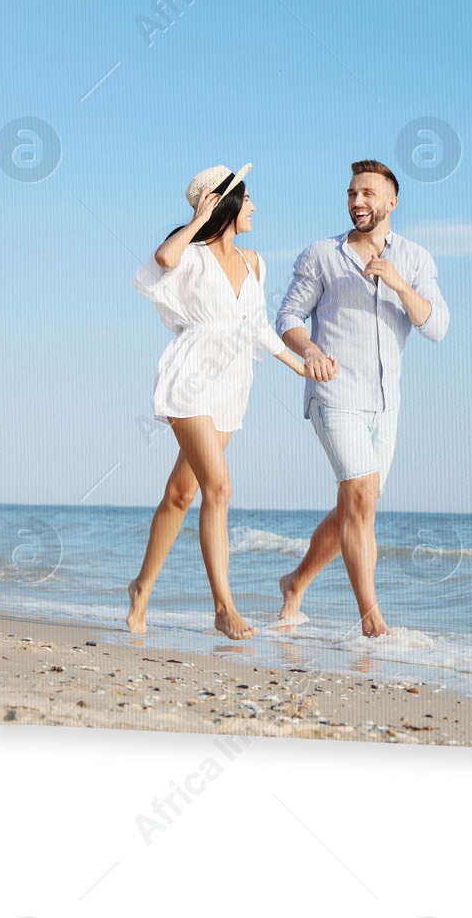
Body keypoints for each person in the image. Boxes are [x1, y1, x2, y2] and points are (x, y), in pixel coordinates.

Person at [125, 164, 316, 640]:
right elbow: (162, 261)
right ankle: (223, 607)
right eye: (246, 199)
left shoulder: (254, 261)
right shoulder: (190, 253)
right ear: (224, 201)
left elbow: (256, 328)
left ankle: (141, 590)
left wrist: (302, 366)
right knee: (220, 488)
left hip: (233, 381)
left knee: (182, 493)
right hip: (191, 377)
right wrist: (195, 220)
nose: (253, 207)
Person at [273, 159, 450, 637]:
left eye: (368, 194)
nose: (358, 201)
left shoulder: (415, 259)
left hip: (386, 402)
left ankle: (295, 583)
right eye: (352, 193)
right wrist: (309, 349)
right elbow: (286, 317)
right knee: (358, 496)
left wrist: (397, 283)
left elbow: (435, 327)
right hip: (335, 393)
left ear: (392, 202)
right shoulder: (321, 256)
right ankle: (371, 619)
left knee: (360, 505)